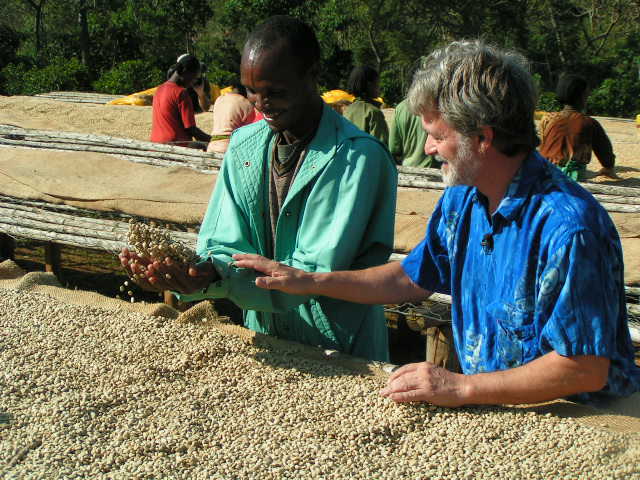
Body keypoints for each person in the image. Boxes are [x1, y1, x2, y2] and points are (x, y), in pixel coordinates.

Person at [232, 40, 640, 407]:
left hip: (585, 420)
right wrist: (307, 281)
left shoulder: (568, 228)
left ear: (482, 136)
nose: (427, 149)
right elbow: (410, 279)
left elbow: (583, 368)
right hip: (505, 407)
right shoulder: (462, 199)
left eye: (436, 135)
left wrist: (460, 387)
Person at [120, 16, 397, 361]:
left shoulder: (357, 158)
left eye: (275, 92)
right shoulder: (244, 146)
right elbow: (222, 239)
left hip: (340, 342)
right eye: (251, 90)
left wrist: (219, 277)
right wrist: (197, 273)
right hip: (265, 336)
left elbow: (313, 270)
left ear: (312, 75)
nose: (261, 103)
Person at [538, 74, 616, 181]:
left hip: (542, 172)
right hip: (573, 176)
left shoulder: (547, 119)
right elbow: (606, 155)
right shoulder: (589, 123)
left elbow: (541, 146)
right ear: (582, 96)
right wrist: (608, 168)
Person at [150, 54, 211, 148]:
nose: (193, 83)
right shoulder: (181, 93)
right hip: (174, 144)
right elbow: (191, 129)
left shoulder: (159, 89)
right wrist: (212, 139)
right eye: (194, 78)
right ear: (186, 72)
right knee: (207, 147)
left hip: (156, 142)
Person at [207, 81, 261, 154]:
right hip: (230, 148)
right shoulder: (246, 103)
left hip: (212, 146)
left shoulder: (219, 99)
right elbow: (251, 132)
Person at [343, 66, 389, 144]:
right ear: (370, 85)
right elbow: (380, 147)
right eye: (377, 83)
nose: (379, 87)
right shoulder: (373, 112)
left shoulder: (347, 111)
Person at [389, 98, 439, 168]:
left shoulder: (401, 108)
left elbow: (393, 148)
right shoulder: (440, 104)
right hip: (436, 170)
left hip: (408, 169)